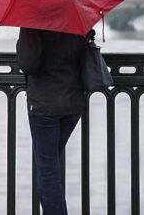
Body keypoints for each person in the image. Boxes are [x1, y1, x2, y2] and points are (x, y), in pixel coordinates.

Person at [16, 27, 93, 215]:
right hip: (73, 103)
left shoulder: (32, 23)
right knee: (49, 164)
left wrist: (21, 45)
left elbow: (29, 64)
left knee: (47, 170)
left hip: (44, 104)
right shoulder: (77, 20)